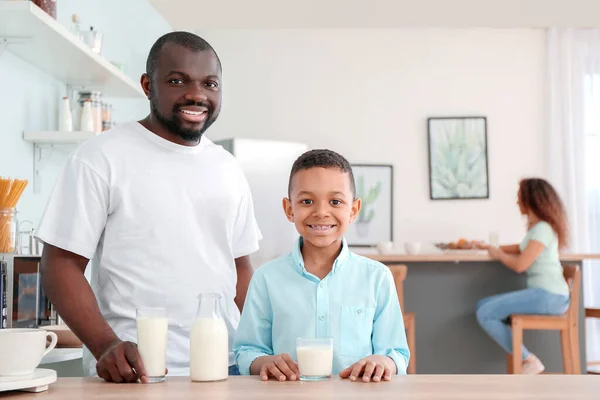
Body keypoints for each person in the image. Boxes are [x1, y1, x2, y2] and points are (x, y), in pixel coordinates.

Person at [36, 31, 262, 383]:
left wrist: (260, 348)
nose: (197, 94)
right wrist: (105, 345)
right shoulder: (100, 158)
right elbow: (59, 265)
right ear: (147, 85)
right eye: (177, 80)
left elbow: (241, 270)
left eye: (210, 84)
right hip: (133, 371)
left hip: (224, 367)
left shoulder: (227, 167)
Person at [234, 149, 410, 382]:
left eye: (335, 201)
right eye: (307, 201)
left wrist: (383, 362)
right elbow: (247, 351)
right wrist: (264, 362)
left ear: (354, 210)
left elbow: (396, 353)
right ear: (289, 209)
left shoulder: (377, 277)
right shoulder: (266, 278)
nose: (321, 212)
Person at [475, 178, 570, 374]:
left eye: (520, 198)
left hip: (549, 296)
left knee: (485, 312)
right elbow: (520, 248)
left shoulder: (543, 228)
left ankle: (529, 360)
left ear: (531, 200)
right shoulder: (538, 229)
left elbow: (520, 264)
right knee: (482, 306)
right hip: (548, 294)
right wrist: (488, 246)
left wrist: (498, 254)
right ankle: (526, 358)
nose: (517, 202)